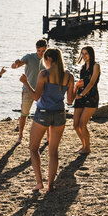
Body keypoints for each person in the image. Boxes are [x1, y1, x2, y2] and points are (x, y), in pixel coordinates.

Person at [19, 48, 75, 192]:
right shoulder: (69, 76)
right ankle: (50, 184)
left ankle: (39, 183)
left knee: (33, 148)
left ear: (49, 58)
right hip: (59, 114)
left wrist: (25, 82)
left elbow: (36, 96)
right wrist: (77, 89)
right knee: (53, 151)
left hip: (43, 113)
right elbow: (69, 101)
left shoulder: (44, 74)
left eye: (45, 59)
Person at [11, 39, 48, 144]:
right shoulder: (29, 57)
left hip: (42, 91)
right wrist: (16, 63)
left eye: (43, 51)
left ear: (46, 49)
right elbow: (14, 66)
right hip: (27, 90)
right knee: (24, 114)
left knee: (46, 113)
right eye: (39, 50)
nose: (41, 53)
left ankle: (48, 136)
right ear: (36, 49)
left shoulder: (47, 59)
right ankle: (20, 135)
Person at [73, 46, 100, 154]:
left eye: (86, 54)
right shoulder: (83, 67)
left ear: (91, 54)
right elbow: (81, 83)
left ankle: (87, 147)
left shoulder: (96, 65)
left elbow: (92, 82)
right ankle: (84, 145)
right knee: (75, 125)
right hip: (80, 96)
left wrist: (82, 94)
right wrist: (75, 91)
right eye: (82, 54)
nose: (84, 56)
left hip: (91, 97)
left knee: (82, 124)